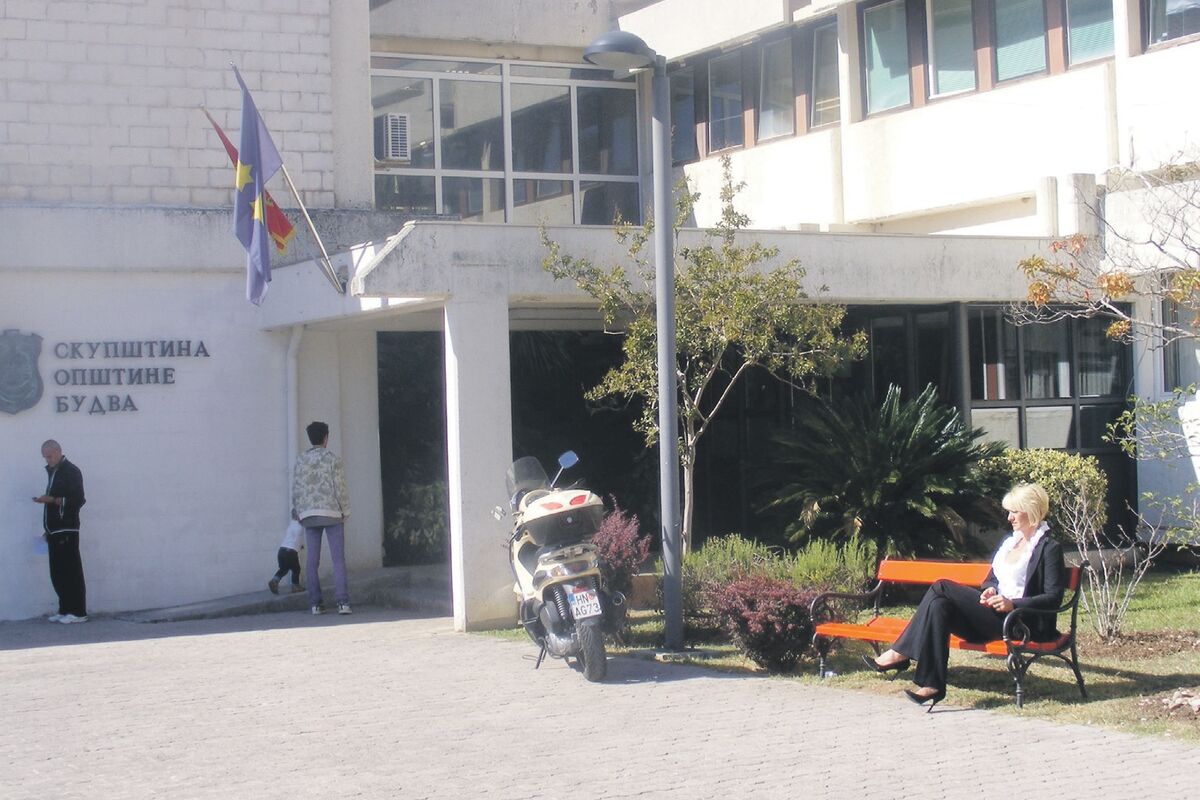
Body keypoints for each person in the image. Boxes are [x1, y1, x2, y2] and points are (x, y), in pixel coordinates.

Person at [865, 483, 1066, 710]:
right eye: (1009, 511)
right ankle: (932, 685)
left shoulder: (1048, 548)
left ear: (1031, 511)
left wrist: (1012, 604)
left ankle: (899, 653)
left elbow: (1053, 597)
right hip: (991, 617)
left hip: (1019, 623)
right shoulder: (1011, 542)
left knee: (941, 586)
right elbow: (992, 579)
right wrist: (991, 590)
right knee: (939, 605)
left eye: (1014, 512)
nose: (1009, 517)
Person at [291, 421, 352, 616]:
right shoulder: (333, 459)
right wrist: (345, 511)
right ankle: (343, 603)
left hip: (309, 515)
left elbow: (297, 488)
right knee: (338, 559)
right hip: (332, 513)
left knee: (312, 561)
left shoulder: (301, 460)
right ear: (326, 438)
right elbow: (340, 487)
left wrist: (298, 511)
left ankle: (315, 604)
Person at [33, 440, 88, 623]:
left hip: (67, 529)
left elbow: (78, 499)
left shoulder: (71, 471)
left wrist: (51, 500)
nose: (47, 460)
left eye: (49, 456)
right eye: (45, 457)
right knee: (57, 572)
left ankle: (78, 612)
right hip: (54, 530)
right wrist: (47, 530)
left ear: (58, 451)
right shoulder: (54, 472)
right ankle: (65, 609)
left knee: (71, 570)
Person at [268, 519, 305, 595]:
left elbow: (292, 537)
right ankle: (295, 586)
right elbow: (297, 537)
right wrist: (298, 546)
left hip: (282, 550)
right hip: (290, 551)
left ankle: (274, 580)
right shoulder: (300, 527)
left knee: (283, 569)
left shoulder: (292, 523)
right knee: (296, 569)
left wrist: (299, 546)